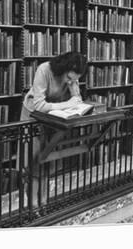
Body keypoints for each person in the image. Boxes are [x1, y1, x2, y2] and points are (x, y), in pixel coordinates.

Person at [18, 51, 87, 208]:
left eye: (75, 79)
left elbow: (77, 100)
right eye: (69, 78)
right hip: (33, 118)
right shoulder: (44, 70)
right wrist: (68, 104)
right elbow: (39, 105)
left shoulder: (71, 78)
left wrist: (74, 89)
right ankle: (33, 205)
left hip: (53, 119)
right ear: (63, 68)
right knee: (34, 161)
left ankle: (43, 202)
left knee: (47, 161)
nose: (71, 81)